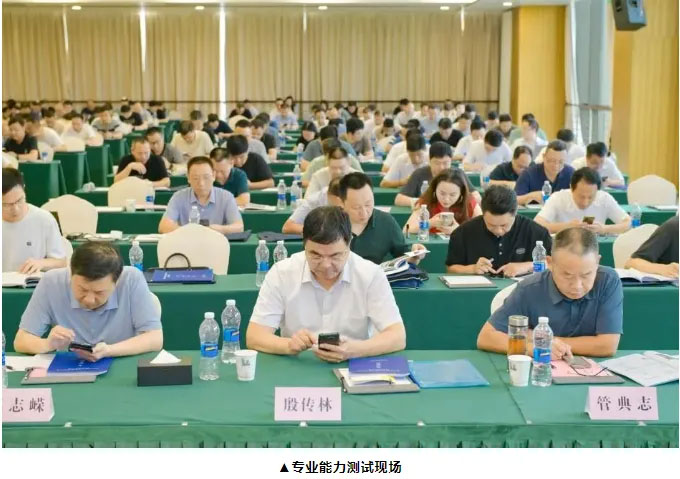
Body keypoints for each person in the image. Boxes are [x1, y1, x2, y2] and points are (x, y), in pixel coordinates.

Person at [245, 206, 406, 362]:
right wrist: (288, 345)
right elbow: (255, 336)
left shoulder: (370, 275)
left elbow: (397, 336)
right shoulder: (282, 273)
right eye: (315, 255)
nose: (326, 265)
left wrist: (355, 350)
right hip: (299, 365)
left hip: (352, 364)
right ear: (304, 245)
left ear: (349, 244)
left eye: (335, 256)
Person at [477, 227, 623, 358]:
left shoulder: (608, 280)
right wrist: (531, 347)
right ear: (550, 263)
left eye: (586, 275)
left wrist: (542, 339)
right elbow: (486, 337)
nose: (577, 286)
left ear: (597, 262)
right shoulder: (529, 289)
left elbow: (608, 346)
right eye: (567, 275)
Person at [14, 242, 163, 360]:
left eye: (99, 292)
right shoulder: (51, 282)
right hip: (69, 369)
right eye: (82, 289)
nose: (89, 300)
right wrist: (47, 344)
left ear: (117, 282)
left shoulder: (131, 279)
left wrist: (109, 350)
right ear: (70, 274)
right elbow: (21, 341)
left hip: (120, 363)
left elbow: (155, 338)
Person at [446, 185, 552, 277]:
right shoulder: (463, 233)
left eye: (504, 225)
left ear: (515, 213)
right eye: (491, 225)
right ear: (483, 213)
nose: (499, 231)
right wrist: (472, 269)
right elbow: (450, 269)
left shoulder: (537, 232)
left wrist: (526, 267)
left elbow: (554, 264)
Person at [339, 172, 426, 265]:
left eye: (368, 204)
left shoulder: (386, 222)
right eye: (356, 207)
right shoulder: (330, 224)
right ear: (342, 203)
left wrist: (415, 254)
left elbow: (404, 253)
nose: (364, 213)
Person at [2, 167, 66, 273]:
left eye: (19, 200)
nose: (15, 209)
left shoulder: (44, 219)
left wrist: (41, 263)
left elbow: (61, 262)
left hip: (32, 281)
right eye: (6, 205)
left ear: (24, 189)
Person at [159, 156, 244, 234]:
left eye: (206, 177)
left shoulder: (226, 197)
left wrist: (217, 229)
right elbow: (163, 227)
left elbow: (239, 227)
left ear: (213, 176)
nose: (201, 183)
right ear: (188, 177)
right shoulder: (178, 197)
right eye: (195, 178)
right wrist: (191, 232)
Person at [535, 167, 631, 235]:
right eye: (581, 197)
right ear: (571, 188)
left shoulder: (604, 198)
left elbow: (628, 222)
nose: (585, 202)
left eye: (590, 197)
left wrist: (604, 228)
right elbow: (536, 225)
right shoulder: (558, 198)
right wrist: (565, 227)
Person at [395, 141, 475, 207]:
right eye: (437, 163)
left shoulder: (458, 174)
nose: (441, 167)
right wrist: (424, 201)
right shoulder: (419, 173)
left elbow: (476, 196)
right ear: (429, 161)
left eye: (445, 163)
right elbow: (399, 199)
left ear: (451, 161)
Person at [405, 169, 481, 236]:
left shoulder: (469, 202)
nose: (446, 199)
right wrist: (429, 223)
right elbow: (406, 229)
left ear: (461, 193)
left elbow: (483, 231)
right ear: (435, 189)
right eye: (442, 193)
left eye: (452, 195)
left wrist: (458, 230)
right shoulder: (427, 201)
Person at [515, 140, 574, 205]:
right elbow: (515, 200)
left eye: (561, 162)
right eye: (551, 160)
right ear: (544, 157)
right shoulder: (529, 173)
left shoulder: (571, 173)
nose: (556, 165)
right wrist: (531, 196)